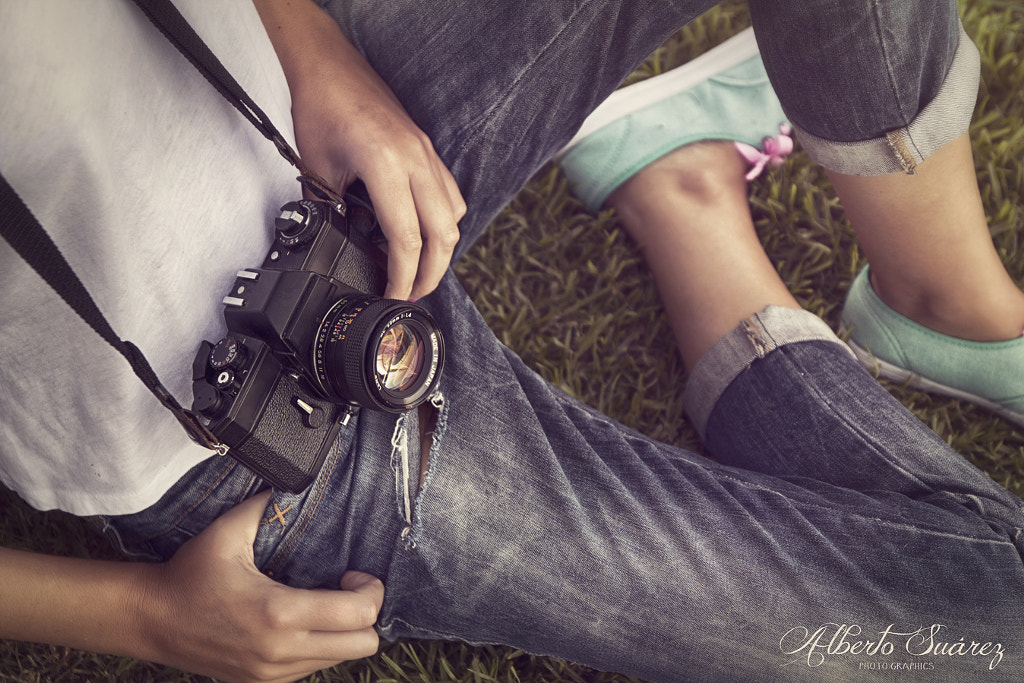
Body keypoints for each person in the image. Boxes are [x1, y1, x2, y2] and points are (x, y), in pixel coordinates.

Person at [1, 2, 1021, 683]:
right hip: (232, 434)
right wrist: (138, 613)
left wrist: (313, 49)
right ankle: (686, 200)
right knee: (998, 624)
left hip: (301, 99)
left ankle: (941, 301)